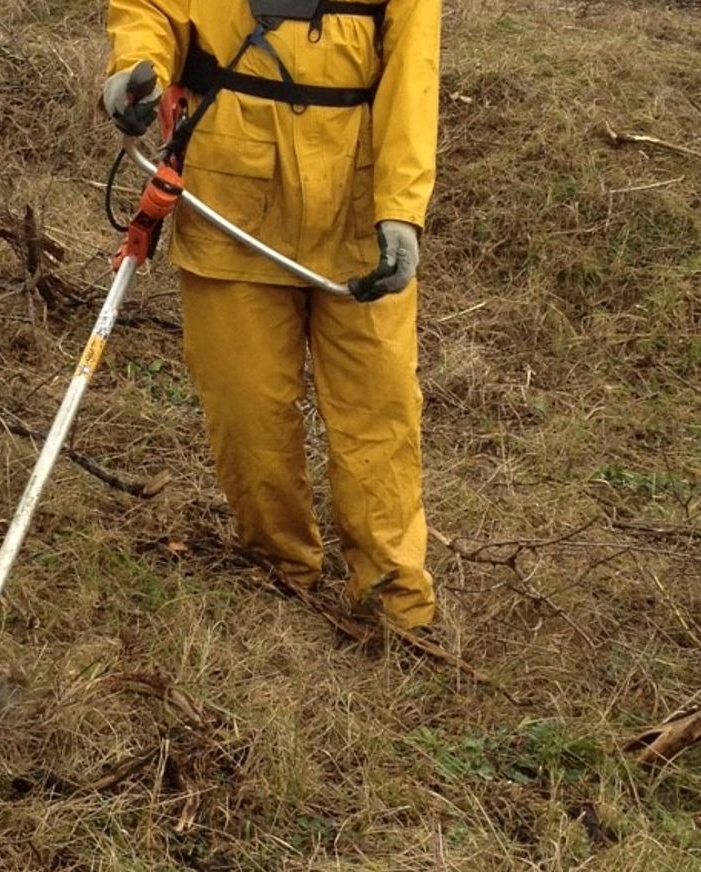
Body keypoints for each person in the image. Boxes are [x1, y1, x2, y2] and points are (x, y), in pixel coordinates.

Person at [101, 0, 442, 633]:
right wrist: (134, 72)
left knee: (379, 409)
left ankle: (394, 602)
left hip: (356, 215)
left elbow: (412, 79)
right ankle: (279, 571)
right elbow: (151, 10)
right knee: (245, 406)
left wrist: (400, 207)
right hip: (229, 202)